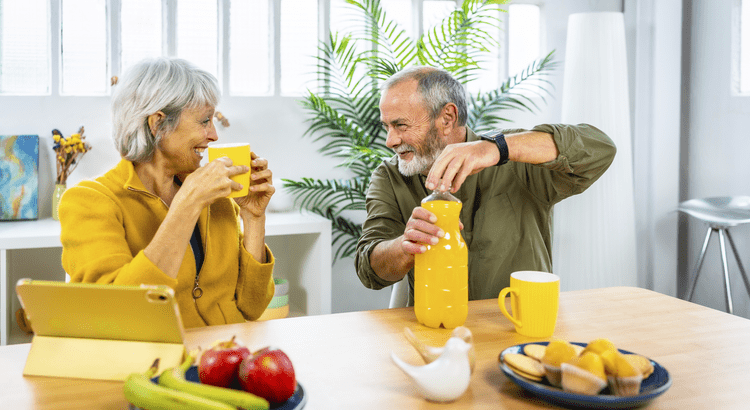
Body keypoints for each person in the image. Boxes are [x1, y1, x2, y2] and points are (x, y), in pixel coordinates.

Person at [355, 66, 617, 305]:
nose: (390, 140)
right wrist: (404, 246)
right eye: (387, 126)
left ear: (447, 118)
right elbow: (369, 270)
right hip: (436, 329)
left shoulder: (517, 157)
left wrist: (498, 148)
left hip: (518, 325)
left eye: (400, 125)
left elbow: (601, 149)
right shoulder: (389, 177)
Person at [58, 57, 275, 328]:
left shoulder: (216, 197)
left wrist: (253, 217)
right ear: (158, 124)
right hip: (158, 353)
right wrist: (188, 204)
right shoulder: (89, 201)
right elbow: (119, 313)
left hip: (226, 349)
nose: (214, 135)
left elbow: (253, 306)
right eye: (204, 121)